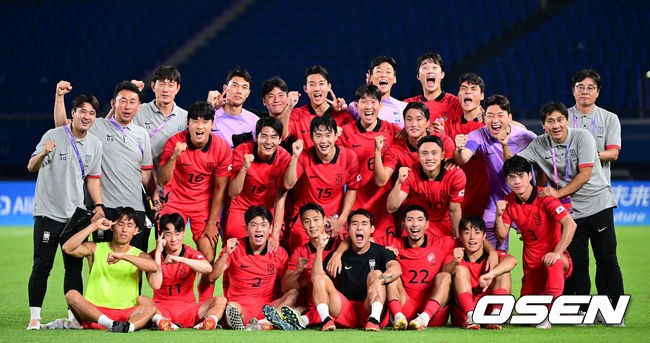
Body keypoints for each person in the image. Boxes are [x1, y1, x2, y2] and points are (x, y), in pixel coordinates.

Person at [510, 101, 623, 322]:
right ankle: (582, 311)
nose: (556, 125)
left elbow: (585, 175)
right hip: (570, 212)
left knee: (606, 258)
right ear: (543, 125)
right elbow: (517, 166)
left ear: (567, 120)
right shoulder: (539, 144)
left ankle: (614, 309)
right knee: (578, 263)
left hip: (597, 204)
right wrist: (508, 128)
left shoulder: (582, 137)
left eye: (560, 120)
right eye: (550, 121)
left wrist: (557, 194)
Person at [26, 85, 104, 330]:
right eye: (82, 111)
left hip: (76, 215)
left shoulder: (95, 144)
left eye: (91, 113)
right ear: (73, 113)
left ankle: (74, 317)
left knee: (74, 267)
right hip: (48, 212)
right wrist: (43, 154)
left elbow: (93, 178)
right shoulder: (54, 135)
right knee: (42, 265)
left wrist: (99, 205)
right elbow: (31, 167)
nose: (87, 116)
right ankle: (35, 318)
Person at [54, 80, 159, 253]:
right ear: (113, 103)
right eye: (122, 101)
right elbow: (62, 127)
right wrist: (59, 97)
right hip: (107, 210)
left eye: (132, 102)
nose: (127, 107)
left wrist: (155, 198)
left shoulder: (142, 135)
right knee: (103, 263)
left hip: (136, 210)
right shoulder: (99, 127)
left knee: (135, 269)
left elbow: (146, 173)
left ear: (139, 106)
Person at [157, 101, 232, 301]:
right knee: (165, 252)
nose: (200, 126)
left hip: (203, 207)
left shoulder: (221, 148)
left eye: (205, 121)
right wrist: (174, 157)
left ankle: (205, 306)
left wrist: (212, 222)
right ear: (188, 123)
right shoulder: (175, 142)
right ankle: (168, 302)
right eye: (195, 121)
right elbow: (162, 180)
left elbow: (221, 189)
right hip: (175, 203)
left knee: (208, 258)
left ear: (212, 124)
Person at [494, 156, 576, 329]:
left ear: (530, 176)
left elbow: (570, 224)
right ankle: (565, 312)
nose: (517, 181)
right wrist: (499, 214)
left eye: (521, 175)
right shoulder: (508, 201)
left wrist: (557, 252)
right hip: (531, 268)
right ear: (507, 180)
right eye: (512, 177)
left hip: (557, 259)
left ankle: (549, 315)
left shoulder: (544, 197)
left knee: (554, 263)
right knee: (526, 317)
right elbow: (501, 235)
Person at [453, 94, 537, 251]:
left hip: (527, 204)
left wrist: (538, 200)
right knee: (492, 257)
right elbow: (463, 158)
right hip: (496, 204)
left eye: (500, 115)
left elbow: (536, 169)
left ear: (509, 117)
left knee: (539, 256)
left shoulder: (527, 137)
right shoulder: (478, 135)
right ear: (484, 118)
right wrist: (458, 149)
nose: (495, 120)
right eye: (490, 115)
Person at [62, 207, 158, 332]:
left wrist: (123, 256)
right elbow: (67, 248)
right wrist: (94, 226)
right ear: (112, 226)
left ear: (136, 231)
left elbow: (154, 267)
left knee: (149, 307)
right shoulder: (95, 248)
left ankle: (127, 327)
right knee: (71, 295)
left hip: (125, 313)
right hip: (95, 312)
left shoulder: (140, 255)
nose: (124, 230)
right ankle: (111, 324)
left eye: (129, 225)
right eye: (120, 224)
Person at [305, 210, 401, 331]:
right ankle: (326, 321)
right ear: (348, 229)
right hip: (346, 310)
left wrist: (378, 281)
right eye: (355, 224)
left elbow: (396, 269)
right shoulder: (337, 256)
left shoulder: (381, 251)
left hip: (369, 306)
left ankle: (374, 320)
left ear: (372, 229)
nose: (359, 227)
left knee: (376, 274)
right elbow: (315, 278)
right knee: (320, 277)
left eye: (364, 224)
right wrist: (320, 249)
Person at [209, 206, 296, 330]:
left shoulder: (279, 253)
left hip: (268, 308)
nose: (259, 229)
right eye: (254, 225)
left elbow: (286, 286)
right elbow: (212, 277)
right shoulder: (234, 248)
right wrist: (226, 254)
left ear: (270, 228)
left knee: (293, 294)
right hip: (240, 306)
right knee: (232, 307)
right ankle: (259, 324)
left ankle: (265, 321)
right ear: (246, 228)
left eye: (263, 225)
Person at [283, 115, 361, 252]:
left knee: (348, 248)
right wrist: (294, 157)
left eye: (328, 135)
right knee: (302, 250)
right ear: (312, 138)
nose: (324, 141)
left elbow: (352, 188)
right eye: (318, 136)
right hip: (305, 219)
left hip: (334, 218)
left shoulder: (349, 157)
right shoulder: (303, 156)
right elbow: (288, 184)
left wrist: (341, 220)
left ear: (336, 135)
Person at [339, 84, 401, 245]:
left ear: (380, 105)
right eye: (363, 102)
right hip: (353, 207)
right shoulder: (344, 133)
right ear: (356, 106)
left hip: (383, 210)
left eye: (373, 102)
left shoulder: (393, 131)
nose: (368, 106)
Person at [146, 213, 227, 330]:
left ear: (184, 233)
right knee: (145, 303)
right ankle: (162, 322)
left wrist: (180, 259)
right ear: (160, 234)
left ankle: (208, 322)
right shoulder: (152, 256)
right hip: (162, 308)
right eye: (168, 234)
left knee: (221, 300)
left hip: (189, 309)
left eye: (177, 234)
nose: (174, 239)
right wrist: (158, 254)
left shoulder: (190, 253)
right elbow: (155, 284)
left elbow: (208, 268)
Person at [385, 205, 457, 330]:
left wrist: (492, 252)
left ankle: (424, 317)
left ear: (427, 224)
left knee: (445, 276)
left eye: (419, 219)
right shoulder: (394, 243)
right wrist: (385, 253)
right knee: (392, 276)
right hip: (405, 309)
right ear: (402, 224)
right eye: (410, 220)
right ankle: (397, 317)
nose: (415, 224)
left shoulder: (440, 243)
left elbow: (472, 239)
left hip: (433, 315)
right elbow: (366, 241)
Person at [225, 117, 291, 251]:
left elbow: (280, 199)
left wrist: (275, 235)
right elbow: (232, 193)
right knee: (234, 248)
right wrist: (244, 168)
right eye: (264, 136)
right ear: (256, 137)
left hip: (268, 210)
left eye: (273, 137)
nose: (268, 141)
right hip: (241, 208)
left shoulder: (284, 157)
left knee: (273, 248)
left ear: (279, 140)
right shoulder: (242, 151)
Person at [443, 216, 517, 330]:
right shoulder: (456, 256)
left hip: (488, 311)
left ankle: (496, 314)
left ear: (484, 236)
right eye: (467, 233)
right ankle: (471, 316)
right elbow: (445, 273)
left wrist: (491, 274)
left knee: (503, 271)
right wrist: (455, 262)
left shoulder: (492, 257)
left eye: (477, 233)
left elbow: (512, 261)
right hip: (463, 315)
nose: (472, 237)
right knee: (460, 269)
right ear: (461, 237)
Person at [387, 135, 466, 237]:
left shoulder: (455, 174)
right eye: (425, 153)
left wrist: (457, 237)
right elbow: (391, 208)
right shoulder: (410, 173)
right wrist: (398, 182)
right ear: (418, 156)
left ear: (442, 155)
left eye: (434, 153)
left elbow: (454, 210)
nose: (429, 158)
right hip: (418, 223)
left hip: (445, 223)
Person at [279, 203, 342, 329]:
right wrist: (297, 271)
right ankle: (291, 317)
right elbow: (285, 287)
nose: (312, 225)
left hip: (339, 305)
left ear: (325, 220)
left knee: (320, 278)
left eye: (316, 220)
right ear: (302, 225)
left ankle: (299, 317)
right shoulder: (300, 252)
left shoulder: (339, 246)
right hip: (314, 306)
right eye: (307, 221)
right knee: (292, 295)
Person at [373, 101, 455, 189]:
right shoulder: (396, 149)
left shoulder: (444, 141)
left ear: (428, 123)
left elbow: (451, 175)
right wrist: (377, 151)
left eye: (419, 119)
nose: (413, 124)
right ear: (404, 122)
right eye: (409, 119)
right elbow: (381, 181)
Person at [445, 73, 489, 217]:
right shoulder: (448, 126)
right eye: (464, 88)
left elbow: (519, 130)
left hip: (488, 198)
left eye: (473, 88)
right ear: (458, 95)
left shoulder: (491, 126)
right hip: (457, 199)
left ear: (482, 96)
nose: (468, 91)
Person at [568, 69, 621, 183]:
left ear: (597, 92)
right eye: (580, 87)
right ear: (573, 90)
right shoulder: (562, 118)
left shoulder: (610, 118)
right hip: (568, 187)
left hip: (599, 188)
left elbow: (613, 154)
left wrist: (589, 154)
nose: (585, 92)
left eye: (590, 88)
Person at [132, 66, 188, 172]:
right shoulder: (138, 111)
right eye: (161, 84)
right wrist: (129, 93)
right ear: (153, 86)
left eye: (171, 85)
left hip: (172, 183)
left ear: (178, 88)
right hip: (140, 180)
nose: (165, 90)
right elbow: (112, 125)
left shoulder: (186, 118)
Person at [287, 66, 355, 149]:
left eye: (321, 83)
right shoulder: (296, 114)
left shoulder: (344, 116)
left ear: (329, 87)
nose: (316, 88)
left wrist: (347, 108)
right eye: (312, 84)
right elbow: (282, 136)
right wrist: (289, 107)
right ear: (305, 88)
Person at [403, 52, 462, 127]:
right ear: (418, 76)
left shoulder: (456, 104)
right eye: (425, 68)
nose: (430, 71)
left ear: (442, 74)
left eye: (434, 67)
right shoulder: (407, 105)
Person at [347, 56, 407, 128]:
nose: (384, 75)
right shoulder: (354, 107)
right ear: (370, 77)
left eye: (388, 72)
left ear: (394, 79)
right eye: (379, 71)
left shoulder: (403, 107)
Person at [206, 68, 259, 148]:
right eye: (235, 85)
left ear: (248, 93)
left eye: (244, 87)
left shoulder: (255, 122)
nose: (239, 91)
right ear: (225, 88)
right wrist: (209, 106)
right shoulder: (210, 116)